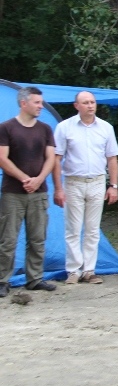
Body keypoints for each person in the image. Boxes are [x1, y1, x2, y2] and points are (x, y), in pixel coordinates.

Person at [52, 91, 118, 285]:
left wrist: (113, 185)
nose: (90, 106)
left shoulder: (105, 128)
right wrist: (58, 187)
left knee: (92, 229)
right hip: (73, 181)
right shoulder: (65, 127)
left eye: (92, 102)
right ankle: (73, 270)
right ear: (76, 106)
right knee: (73, 228)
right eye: (85, 102)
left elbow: (112, 158)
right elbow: (56, 159)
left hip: (97, 181)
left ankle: (89, 270)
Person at [0, 86, 57, 297]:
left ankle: (35, 279)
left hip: (39, 193)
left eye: (41, 103)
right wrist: (25, 179)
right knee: (8, 239)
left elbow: (51, 157)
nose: (41, 106)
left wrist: (39, 179)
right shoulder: (6, 128)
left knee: (37, 237)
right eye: (37, 103)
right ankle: (2, 280)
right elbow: (2, 158)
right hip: (13, 193)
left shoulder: (45, 129)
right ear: (24, 103)